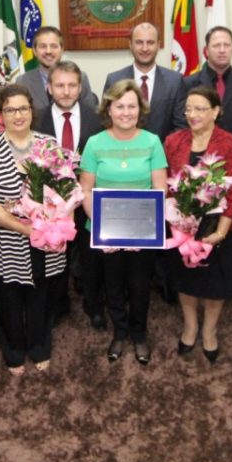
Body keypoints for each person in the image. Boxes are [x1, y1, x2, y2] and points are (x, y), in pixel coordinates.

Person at [0, 85, 66, 374]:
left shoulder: (48, 144)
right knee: (8, 299)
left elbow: (66, 187)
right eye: (10, 109)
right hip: (6, 239)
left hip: (44, 240)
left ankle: (39, 346)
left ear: (31, 111)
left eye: (23, 108)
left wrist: (54, 223)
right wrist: (23, 229)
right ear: (1, 114)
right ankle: (13, 352)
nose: (18, 114)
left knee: (41, 296)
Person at [79, 79, 169, 365]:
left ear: (140, 110)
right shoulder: (94, 143)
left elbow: (161, 189)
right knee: (113, 284)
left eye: (131, 106)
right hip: (105, 231)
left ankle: (139, 334)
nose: (126, 112)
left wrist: (138, 232)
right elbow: (85, 191)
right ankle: (120, 331)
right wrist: (109, 232)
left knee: (140, 284)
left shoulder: (152, 141)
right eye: (120, 106)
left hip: (143, 232)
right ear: (109, 109)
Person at [165, 86, 232, 362]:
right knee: (185, 280)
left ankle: (210, 331)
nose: (192, 114)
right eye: (188, 108)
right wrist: (177, 223)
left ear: (216, 111)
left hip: (218, 226)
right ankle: (190, 326)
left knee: (215, 283)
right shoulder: (173, 141)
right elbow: (167, 187)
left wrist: (221, 232)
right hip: (182, 227)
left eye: (200, 109)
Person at [33, 60, 103, 327]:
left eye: (71, 85)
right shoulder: (35, 119)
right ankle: (57, 305)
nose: (65, 91)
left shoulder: (96, 117)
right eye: (59, 85)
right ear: (49, 88)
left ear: (80, 87)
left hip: (87, 198)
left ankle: (94, 305)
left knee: (90, 257)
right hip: (50, 202)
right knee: (54, 256)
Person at [103, 22, 187, 141]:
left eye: (150, 42)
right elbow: (107, 123)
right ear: (130, 44)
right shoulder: (114, 80)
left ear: (158, 45)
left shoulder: (175, 81)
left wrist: (157, 151)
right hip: (123, 155)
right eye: (139, 42)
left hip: (163, 155)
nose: (145, 48)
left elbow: (181, 127)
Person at [179, 26, 232, 136]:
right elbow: (184, 122)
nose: (222, 50)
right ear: (206, 51)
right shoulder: (189, 83)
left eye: (226, 45)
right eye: (216, 46)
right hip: (200, 148)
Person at [17, 25, 97, 110]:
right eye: (43, 46)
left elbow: (90, 113)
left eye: (54, 46)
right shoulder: (23, 81)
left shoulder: (80, 77)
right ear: (34, 51)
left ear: (62, 49)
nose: (48, 51)